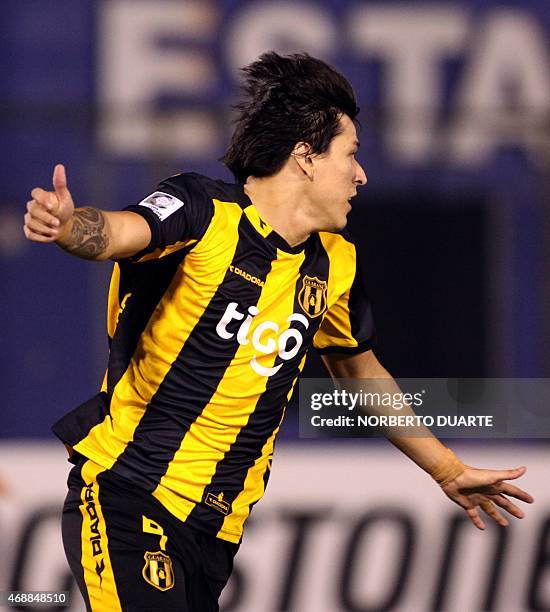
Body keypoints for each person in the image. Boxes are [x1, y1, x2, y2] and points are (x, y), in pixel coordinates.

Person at [24, 52, 533, 612]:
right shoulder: (204, 211)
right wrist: (68, 225)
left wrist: (448, 470)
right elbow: (120, 232)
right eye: (352, 155)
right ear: (306, 157)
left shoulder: (334, 264)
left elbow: (361, 372)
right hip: (130, 496)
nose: (361, 175)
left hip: (215, 534)